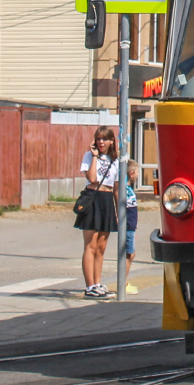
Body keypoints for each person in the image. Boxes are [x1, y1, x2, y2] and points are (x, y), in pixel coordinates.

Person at [75, 126, 118, 298]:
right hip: (93, 198)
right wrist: (94, 156)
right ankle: (90, 286)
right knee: (90, 246)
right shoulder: (89, 156)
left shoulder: (115, 160)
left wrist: (117, 210)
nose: (101, 142)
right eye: (98, 139)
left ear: (111, 141)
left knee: (101, 247)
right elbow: (92, 178)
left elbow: (116, 187)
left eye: (105, 139)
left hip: (107, 201)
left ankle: (98, 282)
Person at [124, 160, 140, 295]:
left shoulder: (129, 189)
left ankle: (124, 281)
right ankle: (123, 283)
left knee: (130, 253)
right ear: (131, 174)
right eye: (137, 173)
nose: (138, 176)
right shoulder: (125, 189)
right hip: (128, 225)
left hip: (131, 226)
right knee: (130, 254)